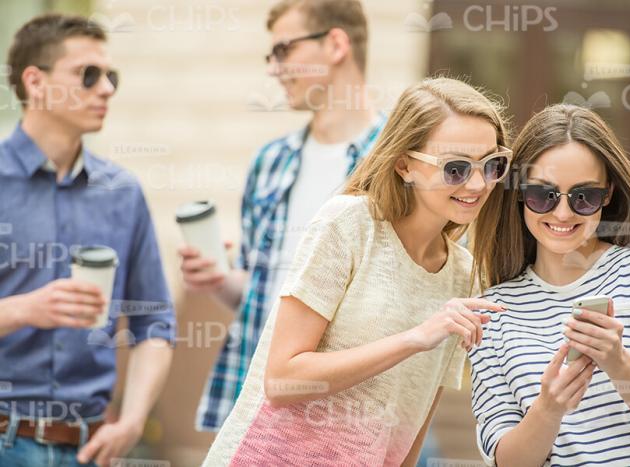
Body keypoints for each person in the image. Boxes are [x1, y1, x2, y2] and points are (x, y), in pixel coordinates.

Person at [202, 77, 512, 466]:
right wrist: (414, 339)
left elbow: (413, 421)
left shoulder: (465, 276)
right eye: (456, 168)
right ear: (404, 165)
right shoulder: (348, 224)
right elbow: (282, 378)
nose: (478, 183)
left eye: (493, 164)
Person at [178, 0, 386, 433]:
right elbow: (260, 294)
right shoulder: (270, 163)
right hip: (260, 410)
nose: (274, 68)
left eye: (284, 50)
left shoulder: (395, 165)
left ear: (335, 44)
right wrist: (219, 279)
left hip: (349, 418)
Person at [470, 104, 630, 465]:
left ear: (608, 193)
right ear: (517, 193)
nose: (562, 214)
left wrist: (618, 362)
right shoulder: (493, 312)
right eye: (542, 194)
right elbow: (506, 461)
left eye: (584, 197)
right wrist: (549, 408)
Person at [0, 14, 175, 467]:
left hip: (91, 450)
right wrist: (24, 309)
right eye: (88, 75)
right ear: (35, 82)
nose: (106, 89)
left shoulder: (123, 192)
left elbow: (153, 322)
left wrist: (133, 422)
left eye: (111, 76)